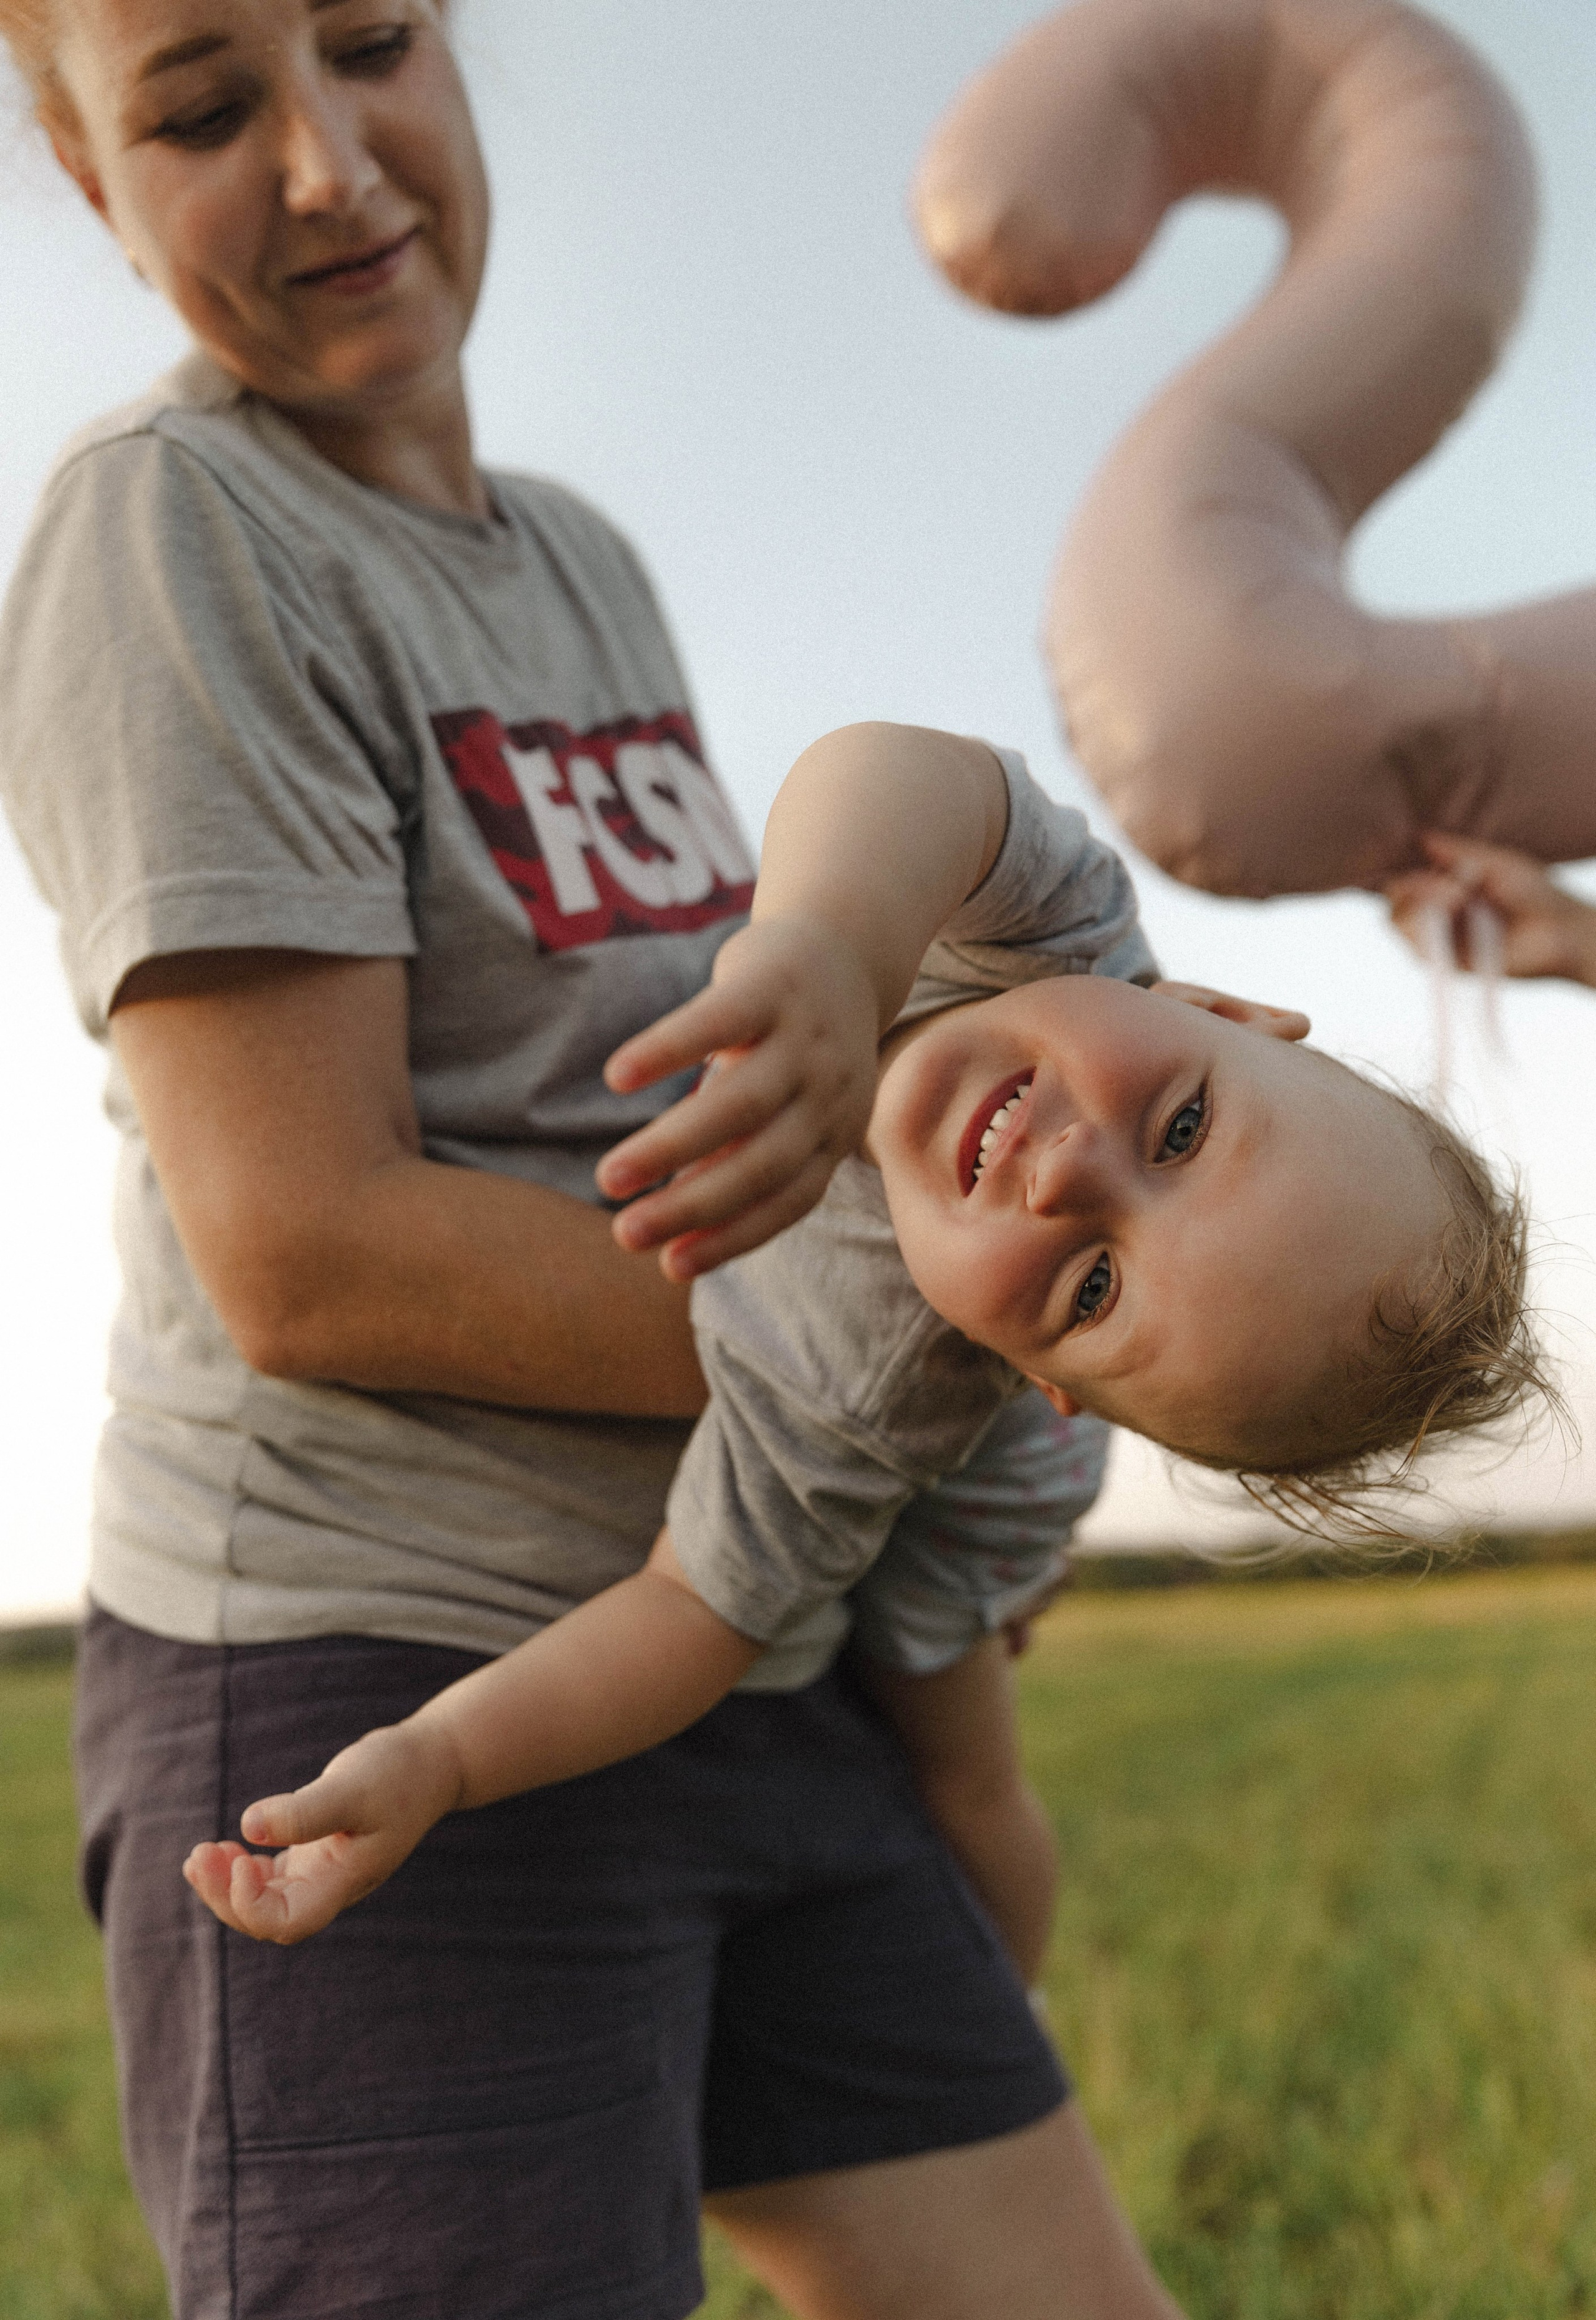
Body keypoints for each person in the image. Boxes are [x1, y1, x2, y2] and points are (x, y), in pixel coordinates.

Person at [0, 7, 1189, 2318]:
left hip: (736, 1636)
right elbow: (311, 1250)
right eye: (206, 106)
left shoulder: (585, 566)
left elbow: (691, 1107)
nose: (334, 168)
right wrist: (915, 1390)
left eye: (372, 46)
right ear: (79, 164)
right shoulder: (179, 532)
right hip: (369, 1680)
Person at [183, 723, 1546, 1959]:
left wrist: (439, 1757)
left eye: (1088, 1286)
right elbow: (906, 775)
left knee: (956, 1749)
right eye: (1181, 1127)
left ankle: (1006, 1982)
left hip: (994, 1495)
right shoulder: (1059, 934)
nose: (1068, 1172)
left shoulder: (863, 1390)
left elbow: (689, 1611)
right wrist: (832, 944)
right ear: (1214, 1009)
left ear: (1034, 1374)